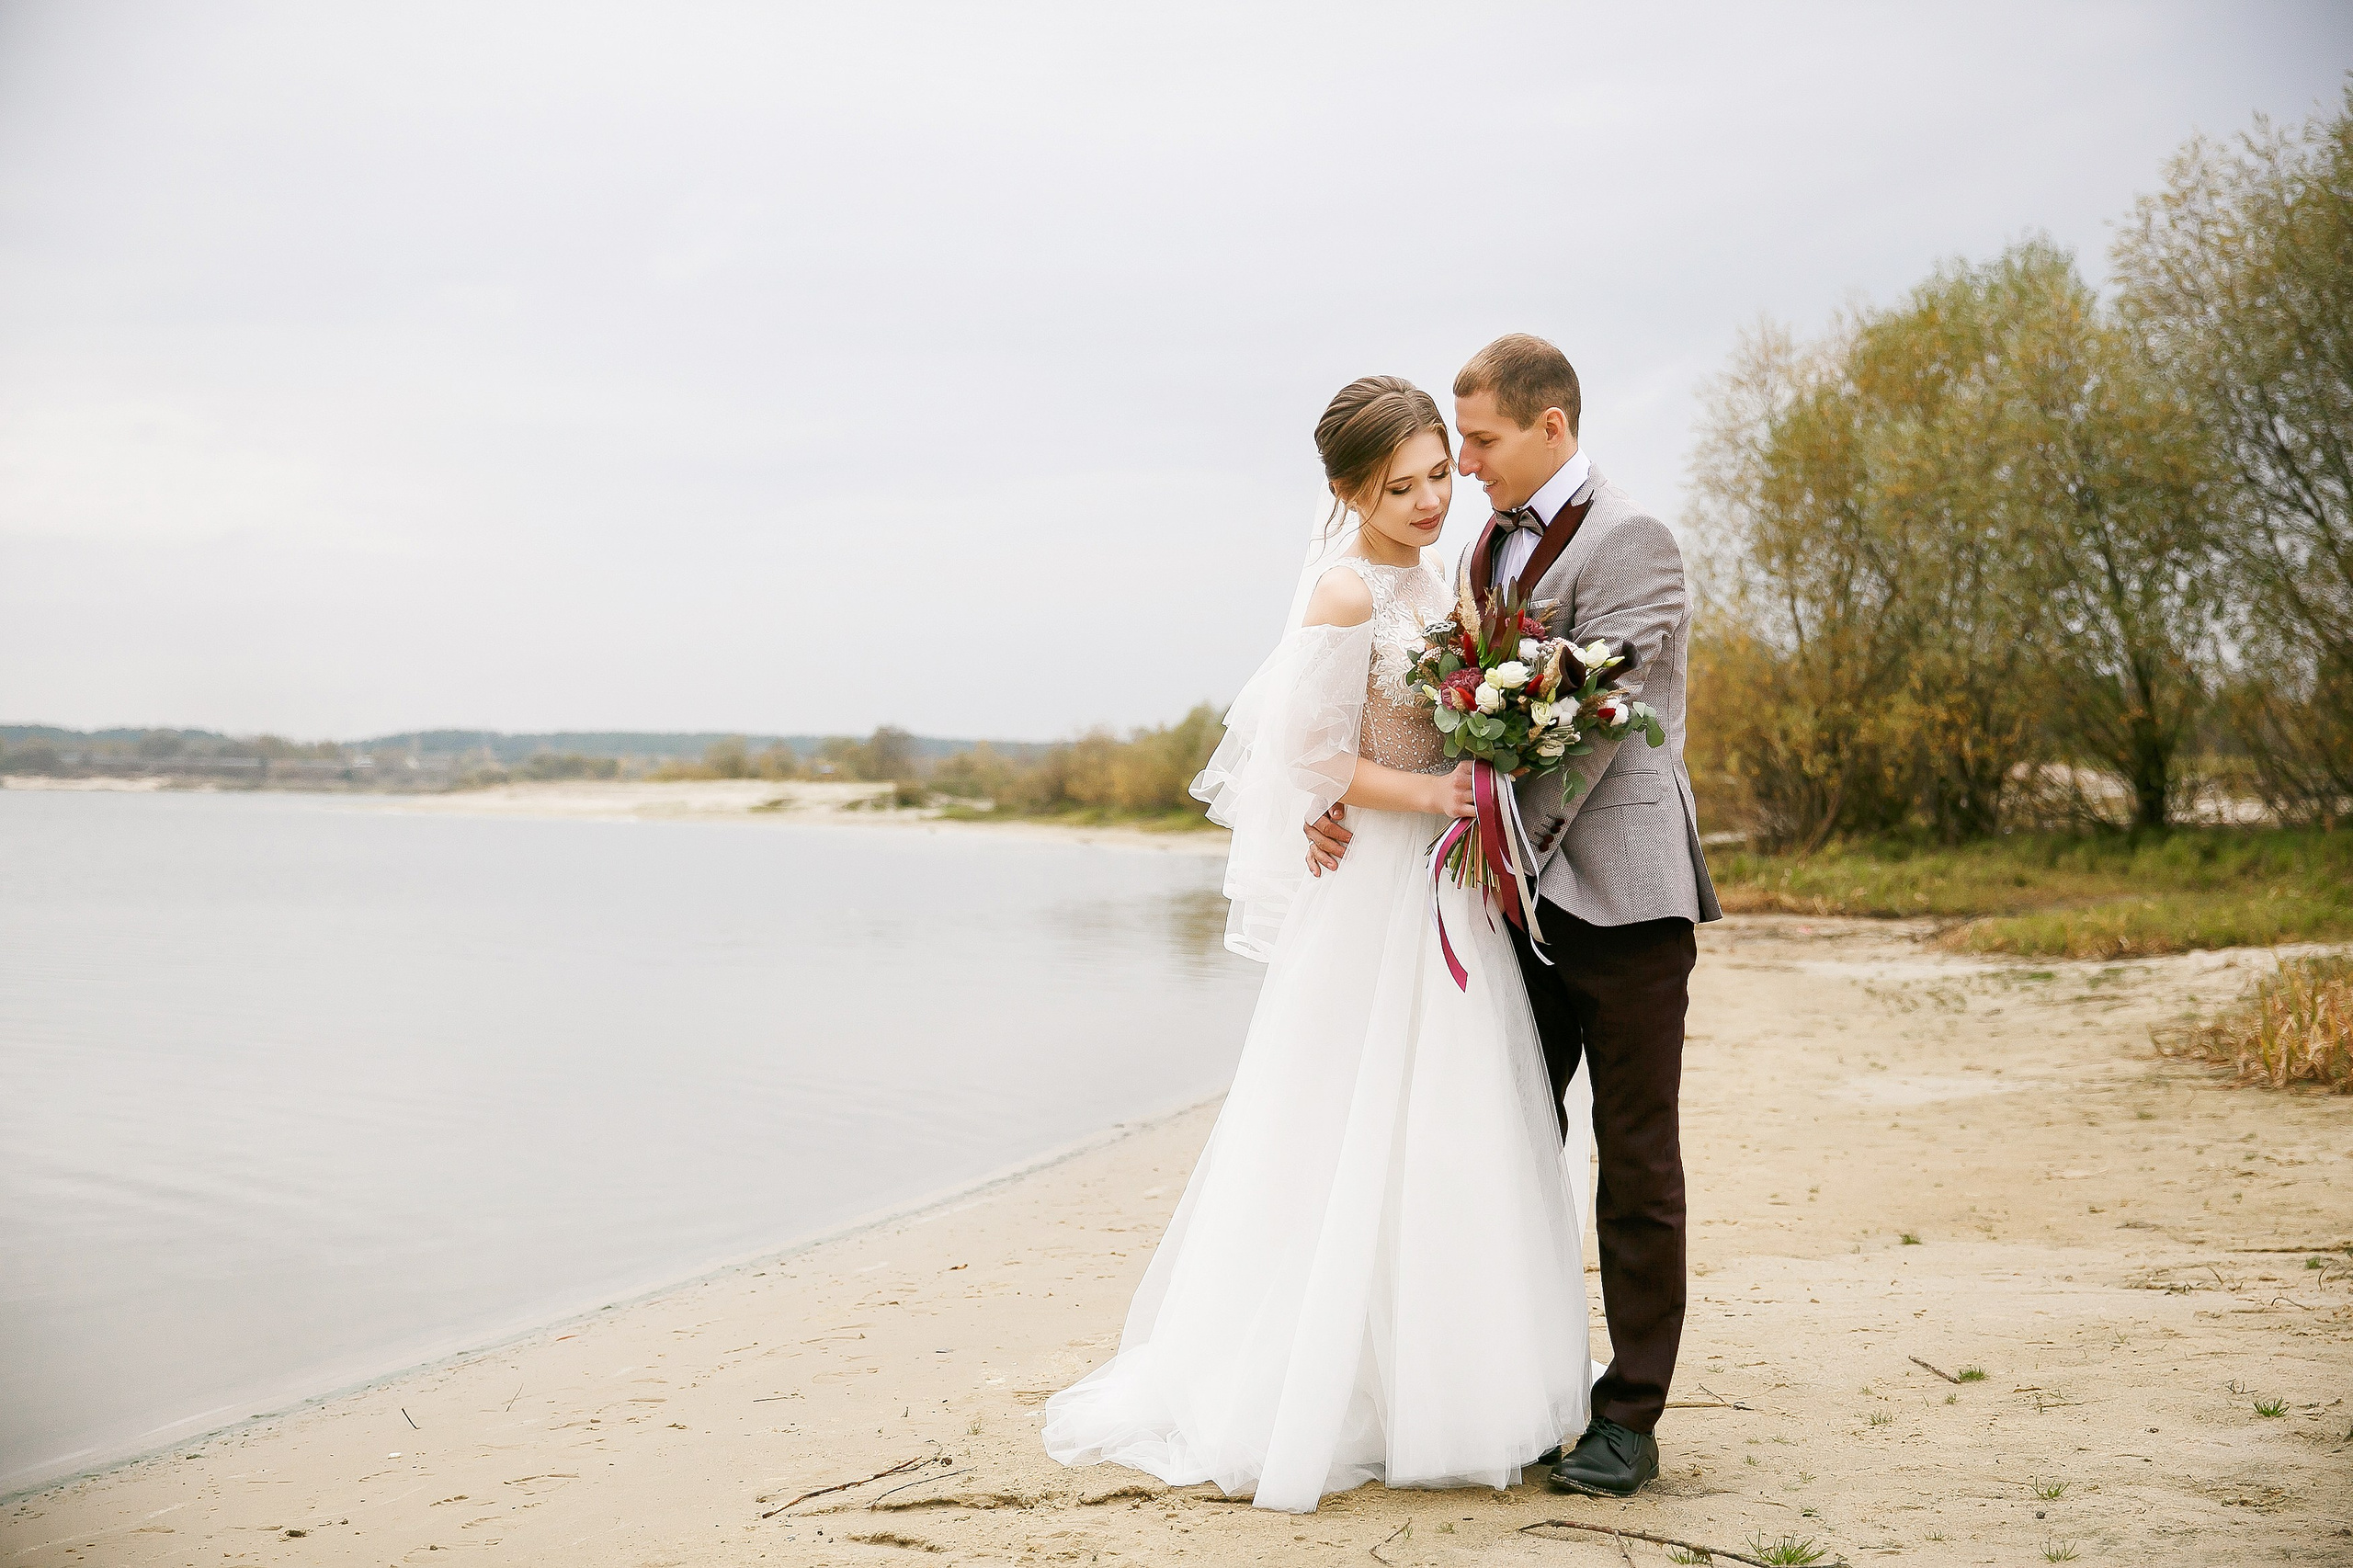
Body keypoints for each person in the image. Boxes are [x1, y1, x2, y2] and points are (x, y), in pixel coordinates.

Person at [1040, 376, 1593, 1513]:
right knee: (1347, 1123)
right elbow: (1309, 759)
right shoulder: (1344, 596)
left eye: (1442, 473)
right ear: (1347, 490)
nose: (1434, 498)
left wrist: (1491, 753)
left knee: (1456, 1122)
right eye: (1404, 486)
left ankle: (1465, 1374)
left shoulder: (1448, 576)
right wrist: (1433, 791)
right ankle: (1337, 1383)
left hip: (1447, 891)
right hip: (1382, 892)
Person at [1306, 335, 1720, 1496]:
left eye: (1475, 444)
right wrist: (1359, 810)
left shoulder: (1636, 539)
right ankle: (1520, 1385)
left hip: (1620, 897)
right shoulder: (1480, 545)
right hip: (1499, 907)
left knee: (1635, 1156)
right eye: (1448, 452)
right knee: (1495, 1145)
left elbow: (1595, 723)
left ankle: (1629, 1412)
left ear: (1550, 427)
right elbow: (1435, 716)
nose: (1463, 469)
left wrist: (1482, 836)